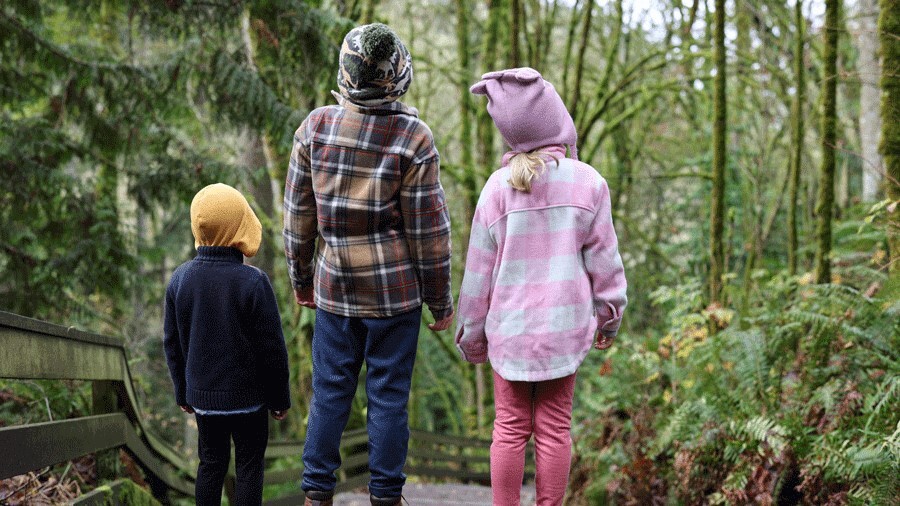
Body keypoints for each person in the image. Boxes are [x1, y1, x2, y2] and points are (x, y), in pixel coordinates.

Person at [283, 23, 454, 506]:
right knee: (388, 396)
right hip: (396, 297)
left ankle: (316, 492)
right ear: (398, 77)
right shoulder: (413, 138)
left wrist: (301, 278)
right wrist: (440, 300)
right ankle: (385, 496)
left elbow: (299, 219)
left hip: (335, 289)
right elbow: (429, 231)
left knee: (330, 392)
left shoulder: (315, 128)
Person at [456, 67, 628, 506]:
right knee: (555, 428)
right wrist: (608, 317)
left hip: (510, 332)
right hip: (562, 330)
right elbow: (605, 262)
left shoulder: (496, 190)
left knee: (509, 428)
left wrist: (472, 334)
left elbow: (478, 275)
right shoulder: (588, 182)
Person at [163, 183, 291, 506]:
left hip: (204, 399)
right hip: (249, 400)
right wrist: (279, 398)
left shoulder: (180, 280)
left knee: (211, 465)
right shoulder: (253, 282)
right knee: (249, 467)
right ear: (239, 225)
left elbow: (173, 344)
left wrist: (183, 391)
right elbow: (272, 348)